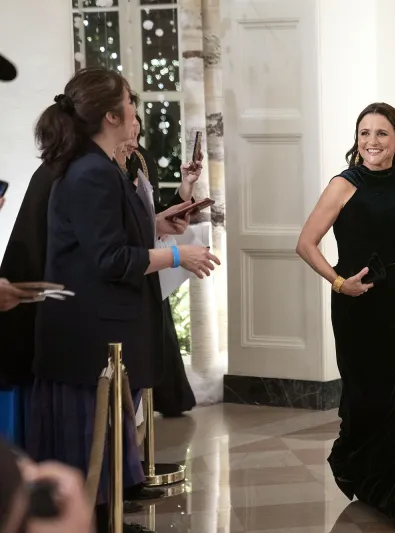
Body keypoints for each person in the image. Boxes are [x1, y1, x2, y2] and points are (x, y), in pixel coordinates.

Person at [26, 67, 220, 532]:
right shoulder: (91, 170)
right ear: (112, 115)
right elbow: (109, 258)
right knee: (88, 444)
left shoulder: (100, 164)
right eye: (130, 102)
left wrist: (159, 223)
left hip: (99, 327)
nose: (136, 110)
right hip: (87, 333)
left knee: (106, 436)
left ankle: (107, 517)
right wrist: (178, 253)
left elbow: (107, 234)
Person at [296, 103, 395, 530]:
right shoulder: (342, 186)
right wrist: (338, 282)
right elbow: (306, 243)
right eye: (364, 133)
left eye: (382, 134)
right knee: (366, 398)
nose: (372, 142)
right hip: (357, 305)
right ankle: (362, 473)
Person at [119, 115, 198, 417]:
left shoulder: (141, 157)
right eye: (130, 120)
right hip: (131, 260)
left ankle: (166, 399)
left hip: (149, 253)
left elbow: (155, 209)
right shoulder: (102, 169)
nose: (135, 128)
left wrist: (186, 188)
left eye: (138, 122)